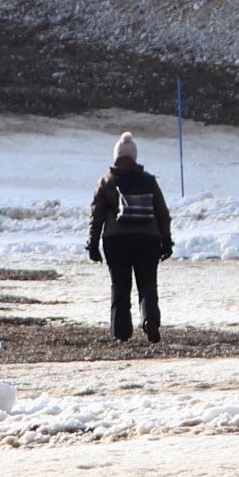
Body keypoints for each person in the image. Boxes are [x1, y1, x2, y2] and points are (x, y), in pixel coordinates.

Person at [86, 135, 173, 341]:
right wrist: (167, 240)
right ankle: (150, 319)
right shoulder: (149, 181)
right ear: (135, 157)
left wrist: (93, 243)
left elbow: (96, 216)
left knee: (120, 285)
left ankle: (121, 331)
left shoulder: (106, 181)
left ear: (116, 157)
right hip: (147, 239)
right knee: (148, 284)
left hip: (116, 241)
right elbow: (162, 213)